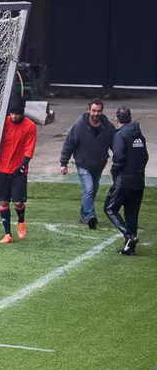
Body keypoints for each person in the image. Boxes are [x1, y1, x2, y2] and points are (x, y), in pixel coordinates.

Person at [0, 95, 37, 244]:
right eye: (12, 113)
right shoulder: (2, 124)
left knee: (18, 202)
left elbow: (29, 148)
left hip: (18, 170)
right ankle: (8, 234)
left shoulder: (30, 126)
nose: (13, 116)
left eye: (17, 113)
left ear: (22, 112)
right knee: (3, 202)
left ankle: (21, 220)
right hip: (2, 169)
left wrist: (23, 165)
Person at [59, 98, 116, 229]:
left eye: (99, 111)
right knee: (89, 188)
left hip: (99, 164)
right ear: (88, 110)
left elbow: (115, 145)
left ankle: (83, 214)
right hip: (82, 164)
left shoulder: (108, 127)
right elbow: (69, 144)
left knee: (93, 190)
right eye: (94, 111)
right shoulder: (79, 126)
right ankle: (90, 216)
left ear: (102, 111)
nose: (96, 114)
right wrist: (64, 163)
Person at [104, 107, 149, 255]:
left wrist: (114, 172)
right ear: (130, 118)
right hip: (138, 181)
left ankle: (129, 236)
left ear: (117, 120)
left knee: (110, 209)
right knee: (132, 214)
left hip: (124, 180)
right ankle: (130, 248)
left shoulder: (120, 135)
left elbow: (119, 157)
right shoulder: (140, 136)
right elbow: (145, 157)